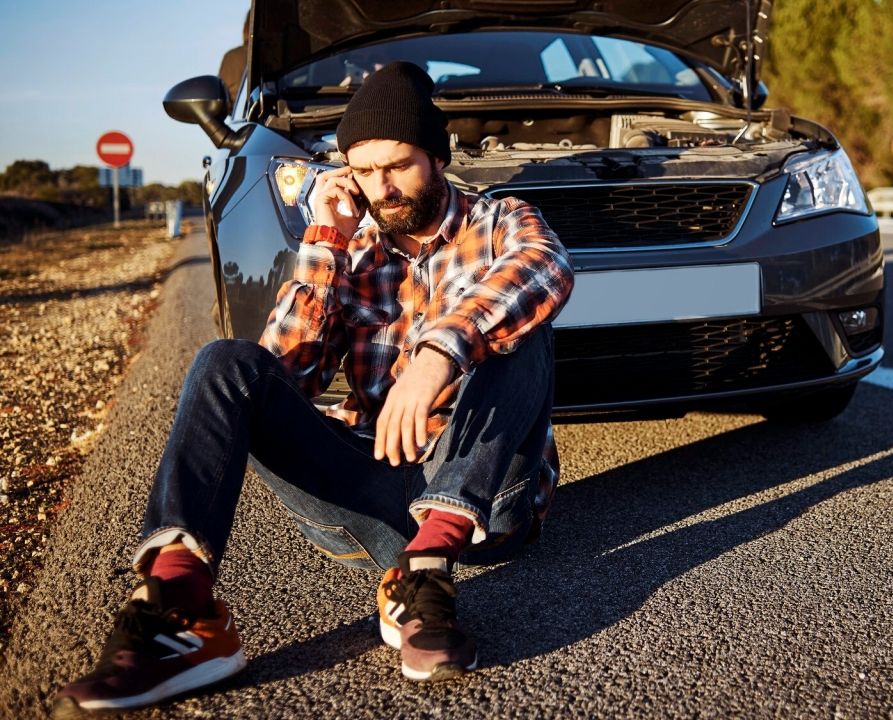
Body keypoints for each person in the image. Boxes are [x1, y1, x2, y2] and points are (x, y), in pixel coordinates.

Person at [52, 62, 574, 716]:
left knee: (521, 330)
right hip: (372, 493)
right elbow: (280, 380)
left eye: (399, 165)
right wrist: (325, 240)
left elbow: (546, 269)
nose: (381, 187)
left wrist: (441, 353)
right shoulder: (352, 249)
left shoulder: (503, 222)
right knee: (227, 361)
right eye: (363, 170)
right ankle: (180, 610)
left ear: (437, 158)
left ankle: (428, 566)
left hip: (485, 504)